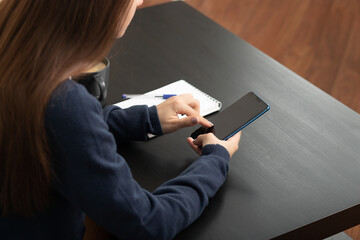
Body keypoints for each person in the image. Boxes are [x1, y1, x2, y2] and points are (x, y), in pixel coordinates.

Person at [0, 0, 241, 239]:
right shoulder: (62, 104)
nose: (139, 1)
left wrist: (147, 119)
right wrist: (216, 158)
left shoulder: (13, 51)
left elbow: (52, 128)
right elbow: (149, 223)